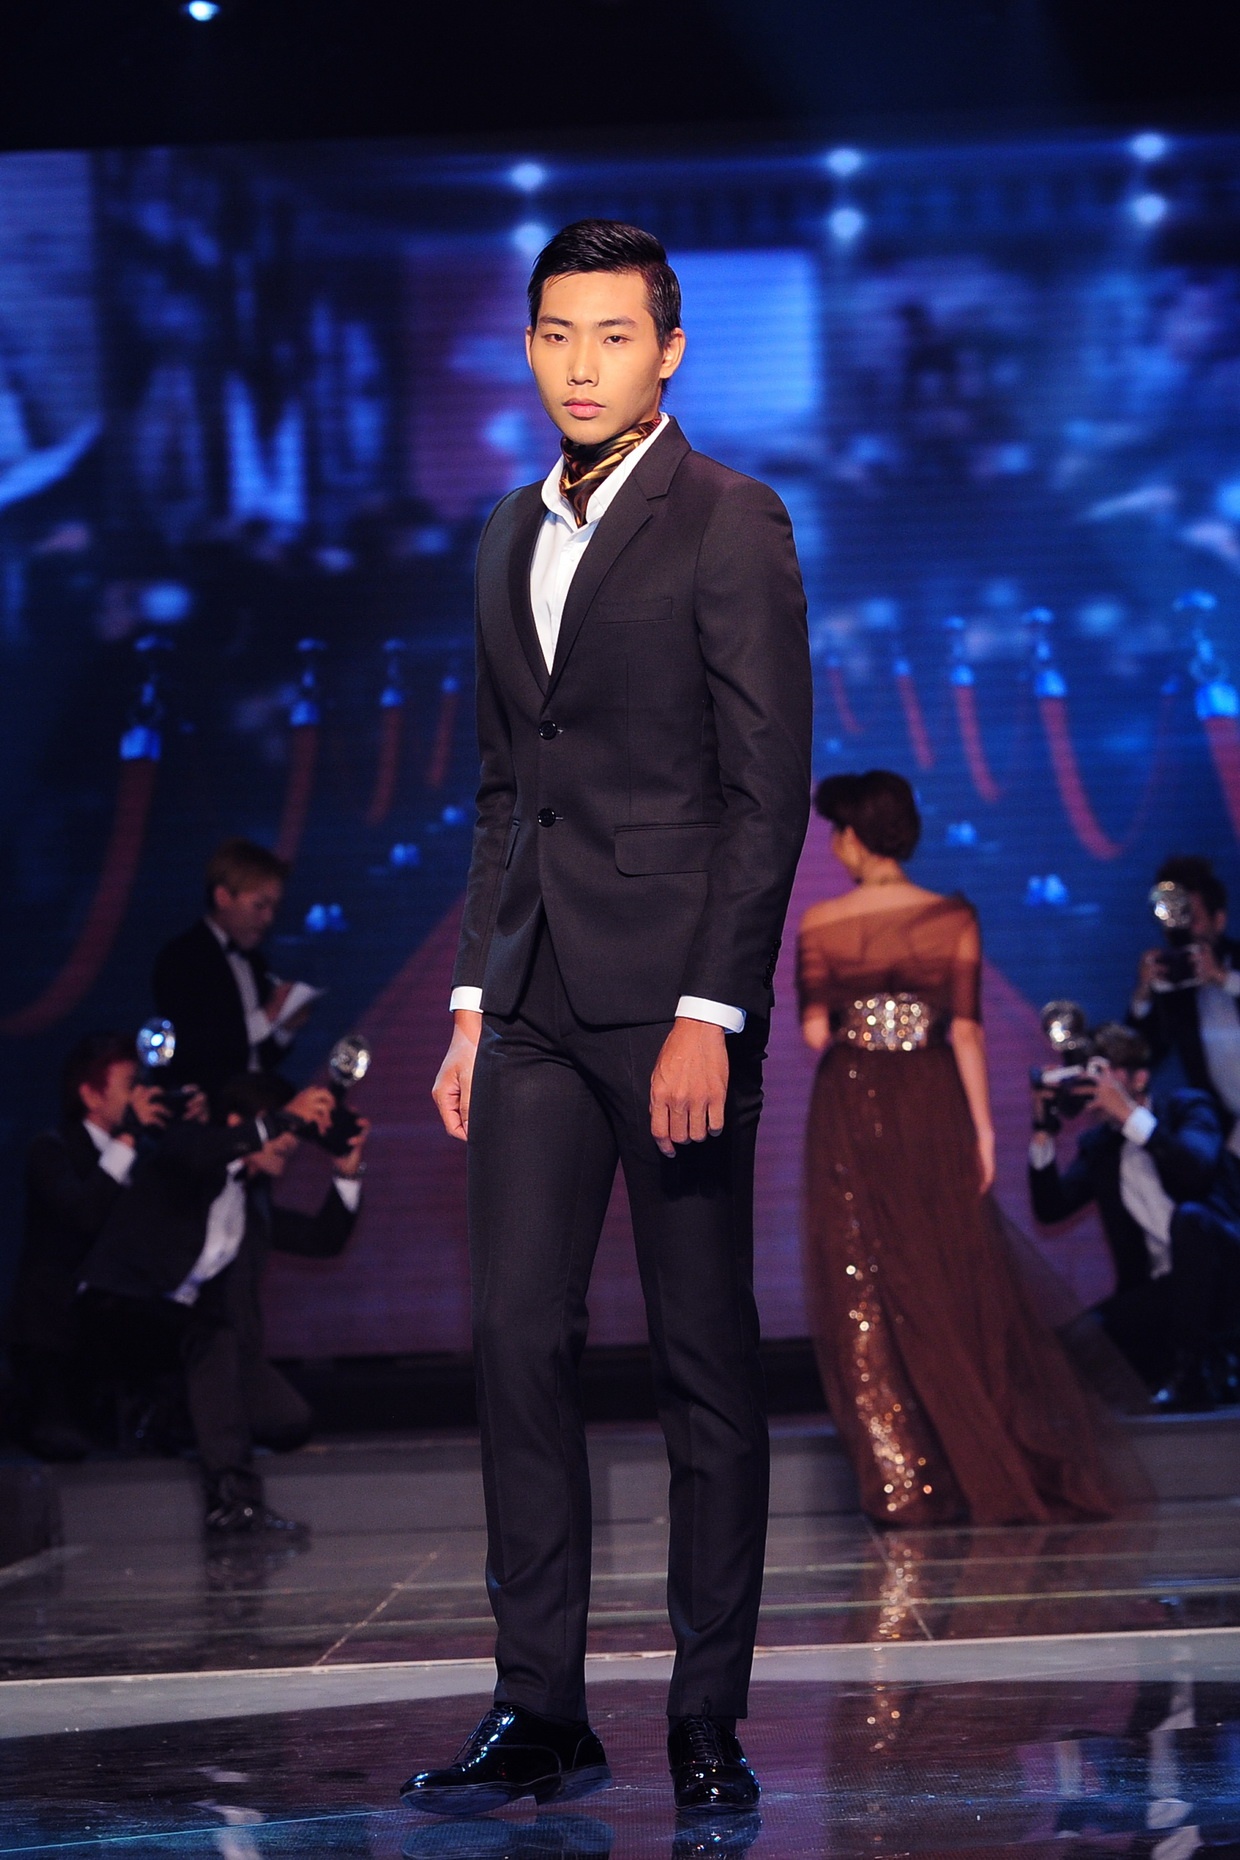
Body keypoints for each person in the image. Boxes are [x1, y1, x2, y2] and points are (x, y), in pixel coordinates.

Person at [409, 221, 812, 1819]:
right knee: (515, 1340)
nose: (584, 366)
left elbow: (766, 792)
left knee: (702, 1358)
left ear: (670, 350)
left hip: (673, 1005)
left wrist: (714, 1008)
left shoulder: (730, 518)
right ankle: (541, 1710)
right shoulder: (507, 530)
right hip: (529, 1006)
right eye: (558, 335)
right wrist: (467, 1000)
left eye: (615, 336)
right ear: (528, 347)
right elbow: (506, 788)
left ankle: (707, 1717)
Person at [797, 769, 1115, 1529]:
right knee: (949, 1275)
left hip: (851, 1103)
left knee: (861, 1283)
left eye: (838, 831)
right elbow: (966, 1032)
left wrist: (865, 1015)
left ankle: (903, 1483)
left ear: (855, 835)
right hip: (933, 1101)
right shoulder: (952, 917)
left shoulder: (821, 922)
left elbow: (814, 1034)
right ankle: (980, 1456)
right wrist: (984, 1131)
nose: (834, 845)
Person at [80, 1073, 366, 1534]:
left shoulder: (252, 1204)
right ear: (237, 1124)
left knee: (288, 1419)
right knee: (210, 1334)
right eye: (281, 1127)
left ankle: (166, 1419)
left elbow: (321, 1238)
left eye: (293, 1131)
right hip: (118, 1311)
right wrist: (284, 1118)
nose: (289, 1141)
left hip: (185, 1335)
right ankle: (233, 1499)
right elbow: (201, 1149)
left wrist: (347, 1169)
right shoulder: (189, 1151)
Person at [1029, 1022, 1240, 1412]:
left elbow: (1194, 1169)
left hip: (1224, 1276)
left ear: (1139, 1078)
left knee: (1191, 1218)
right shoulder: (1101, 1146)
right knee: (1074, 1345)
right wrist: (1043, 1129)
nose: (1096, 1084)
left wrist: (1127, 1113)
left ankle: (1192, 1376)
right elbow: (1051, 1208)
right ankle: (1167, 1374)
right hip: (1165, 1289)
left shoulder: (1188, 1108)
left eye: (1103, 1072)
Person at [9, 1032, 173, 1460]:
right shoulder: (51, 1150)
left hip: (121, 1329)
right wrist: (127, 1141)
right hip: (57, 1333)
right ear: (90, 1094)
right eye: (129, 1085)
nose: (139, 1095)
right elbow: (83, 1214)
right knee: (64, 1443)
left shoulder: (144, 1155)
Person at [152, 838, 317, 1104]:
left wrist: (284, 1027)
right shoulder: (182, 958)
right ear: (223, 897)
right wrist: (267, 1016)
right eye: (259, 906)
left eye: (274, 908)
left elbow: (256, 1058)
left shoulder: (256, 962)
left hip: (254, 1108)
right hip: (207, 1114)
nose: (269, 918)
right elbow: (194, 1047)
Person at [1130, 854, 1240, 1146]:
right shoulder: (1173, 987)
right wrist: (1144, 995)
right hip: (1229, 1136)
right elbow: (1141, 1056)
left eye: (1192, 917)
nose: (1184, 928)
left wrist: (1223, 978)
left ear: (1219, 920)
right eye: (1175, 918)